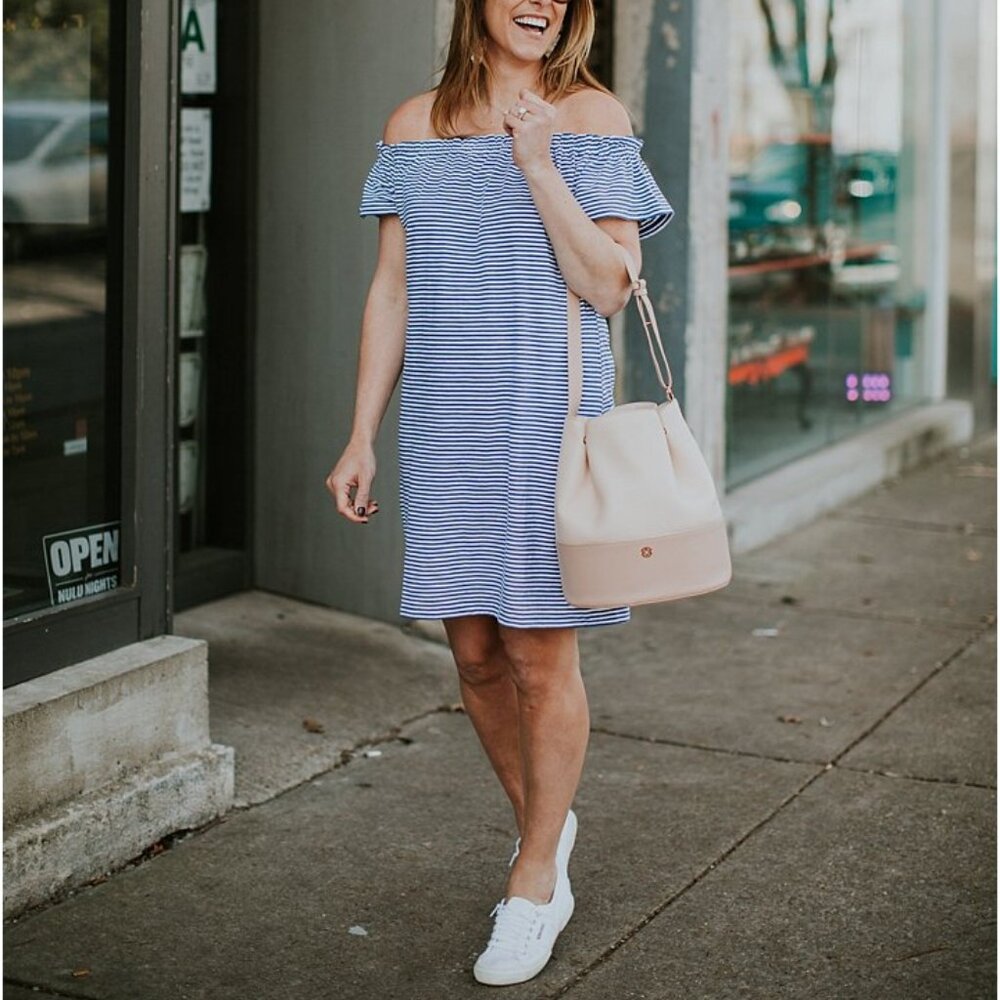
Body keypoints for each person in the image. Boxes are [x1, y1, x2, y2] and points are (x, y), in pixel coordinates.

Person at [326, 0, 673, 986]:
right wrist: (360, 433)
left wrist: (536, 165)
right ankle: (548, 823)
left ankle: (532, 881)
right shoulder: (410, 125)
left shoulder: (591, 117)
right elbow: (391, 288)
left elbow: (609, 285)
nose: (540, 2)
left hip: (544, 416)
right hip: (444, 420)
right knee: (471, 647)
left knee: (534, 648)